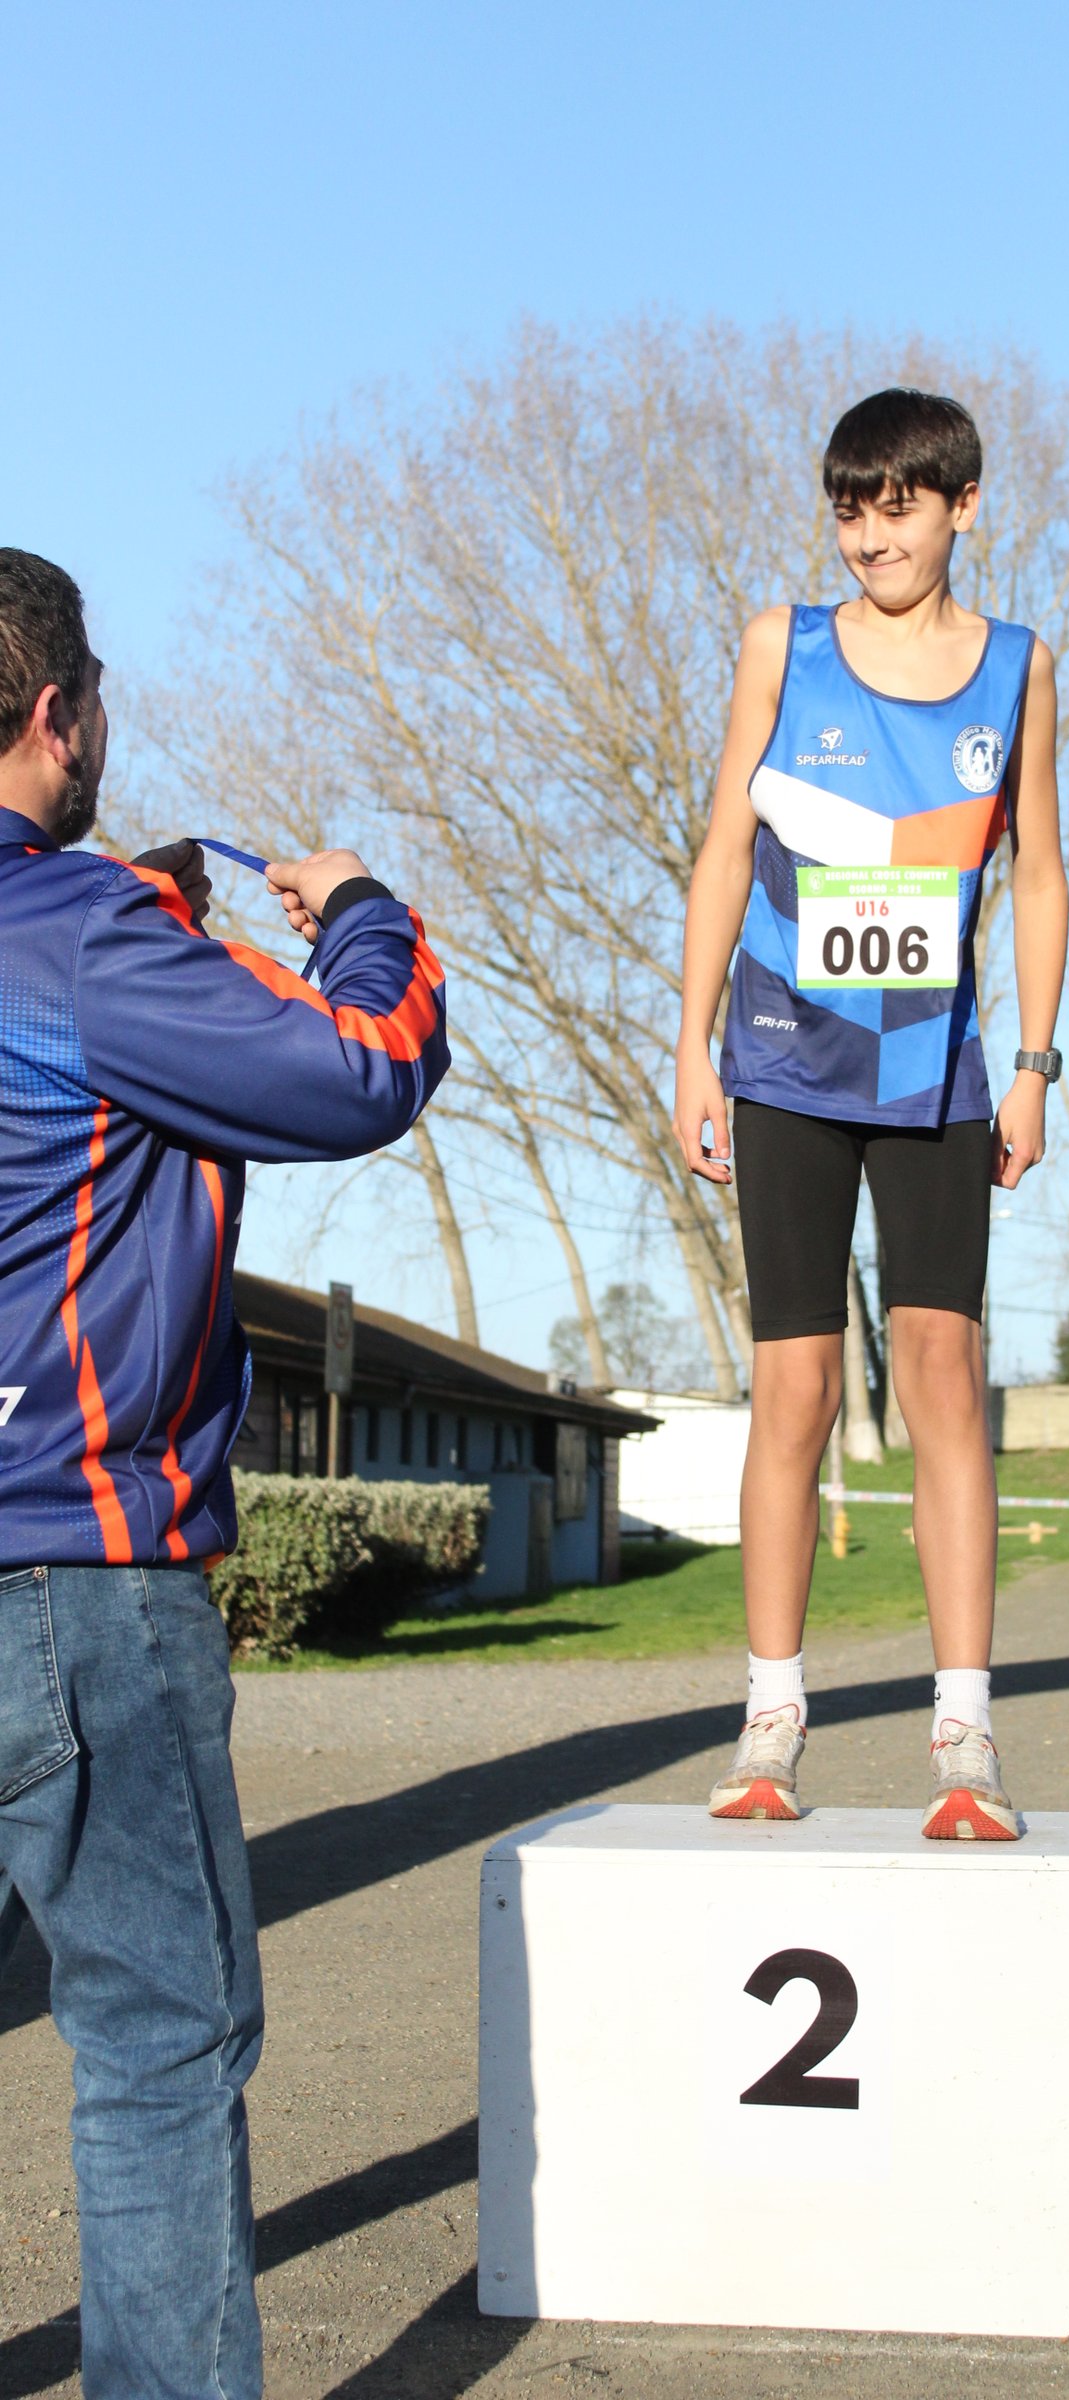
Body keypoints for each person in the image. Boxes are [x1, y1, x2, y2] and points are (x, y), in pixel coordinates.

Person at [0, 549, 449, 2399]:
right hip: (74, 1570)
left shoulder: (96, 936)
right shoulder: (87, 943)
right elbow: (363, 1065)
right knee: (160, 2039)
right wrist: (356, 907)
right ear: (56, 713)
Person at [673, 389, 1067, 1840]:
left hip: (940, 1076)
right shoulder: (783, 644)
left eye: (899, 505)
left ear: (964, 508)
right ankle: (771, 1712)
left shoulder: (1017, 669)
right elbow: (726, 844)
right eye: (850, 506)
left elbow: (1036, 872)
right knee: (797, 1388)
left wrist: (1035, 1064)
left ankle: (963, 1727)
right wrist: (691, 1042)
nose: (871, 535)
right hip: (781, 1059)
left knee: (942, 1373)